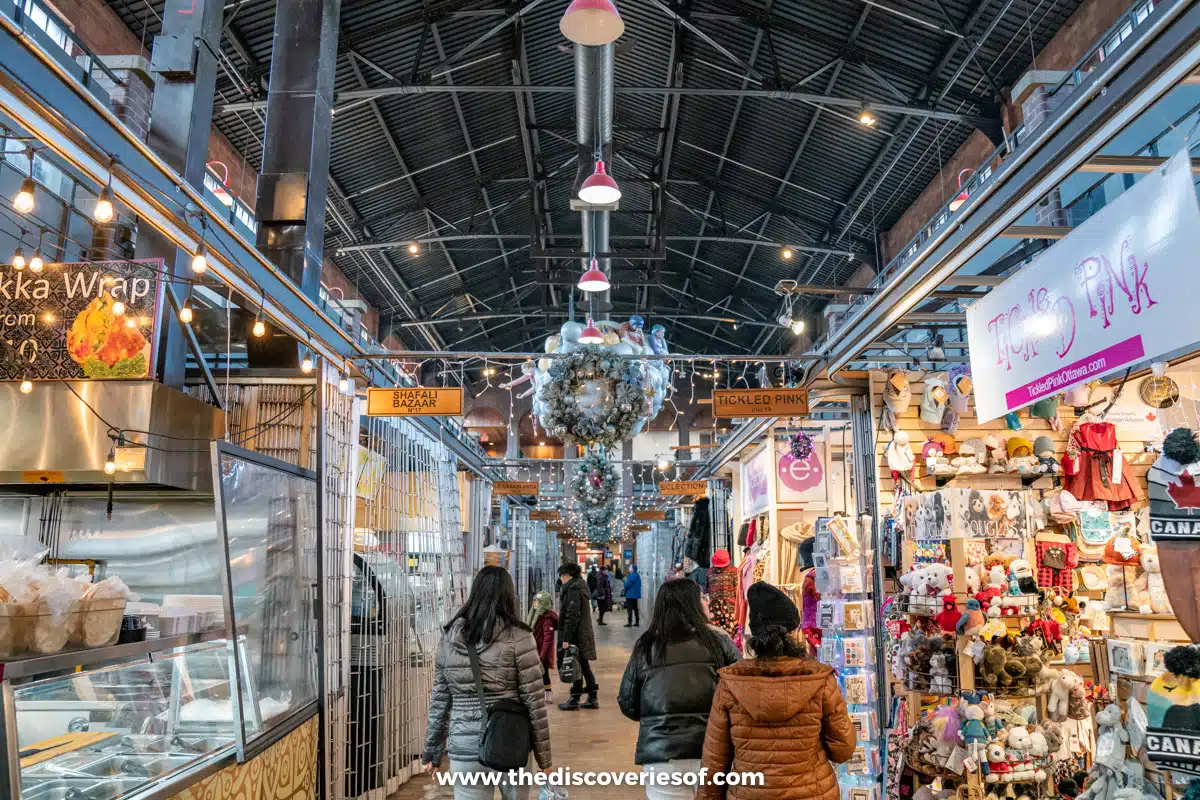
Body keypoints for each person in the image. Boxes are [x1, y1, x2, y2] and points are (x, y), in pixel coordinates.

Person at [698, 582, 856, 800]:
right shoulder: (820, 681)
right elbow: (843, 750)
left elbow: (714, 762)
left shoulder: (731, 684)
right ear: (793, 633)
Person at [422, 566, 551, 799]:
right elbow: (535, 704)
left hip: (465, 748)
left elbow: (440, 702)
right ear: (509, 595)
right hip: (510, 741)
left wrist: (432, 751)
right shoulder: (520, 637)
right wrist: (545, 759)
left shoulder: (449, 638)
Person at [618, 579, 740, 798]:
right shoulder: (718, 642)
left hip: (662, 755)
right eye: (702, 597)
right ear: (693, 604)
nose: (707, 602)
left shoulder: (646, 646)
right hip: (715, 752)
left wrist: (655, 717)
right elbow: (741, 694)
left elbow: (628, 703)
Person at [557, 562, 599, 710]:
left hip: (576, 635)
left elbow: (572, 615)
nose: (561, 579)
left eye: (562, 576)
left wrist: (566, 639)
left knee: (576, 666)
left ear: (567, 576)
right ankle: (592, 697)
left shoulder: (573, 589)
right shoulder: (580, 586)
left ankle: (574, 699)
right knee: (583, 665)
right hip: (582, 632)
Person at [527, 590, 558, 694]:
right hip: (534, 650)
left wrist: (542, 656)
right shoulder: (536, 616)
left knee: (544, 673)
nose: (534, 603)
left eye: (537, 602)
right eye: (534, 601)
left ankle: (547, 694)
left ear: (543, 604)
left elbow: (548, 639)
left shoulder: (547, 619)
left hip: (541, 653)